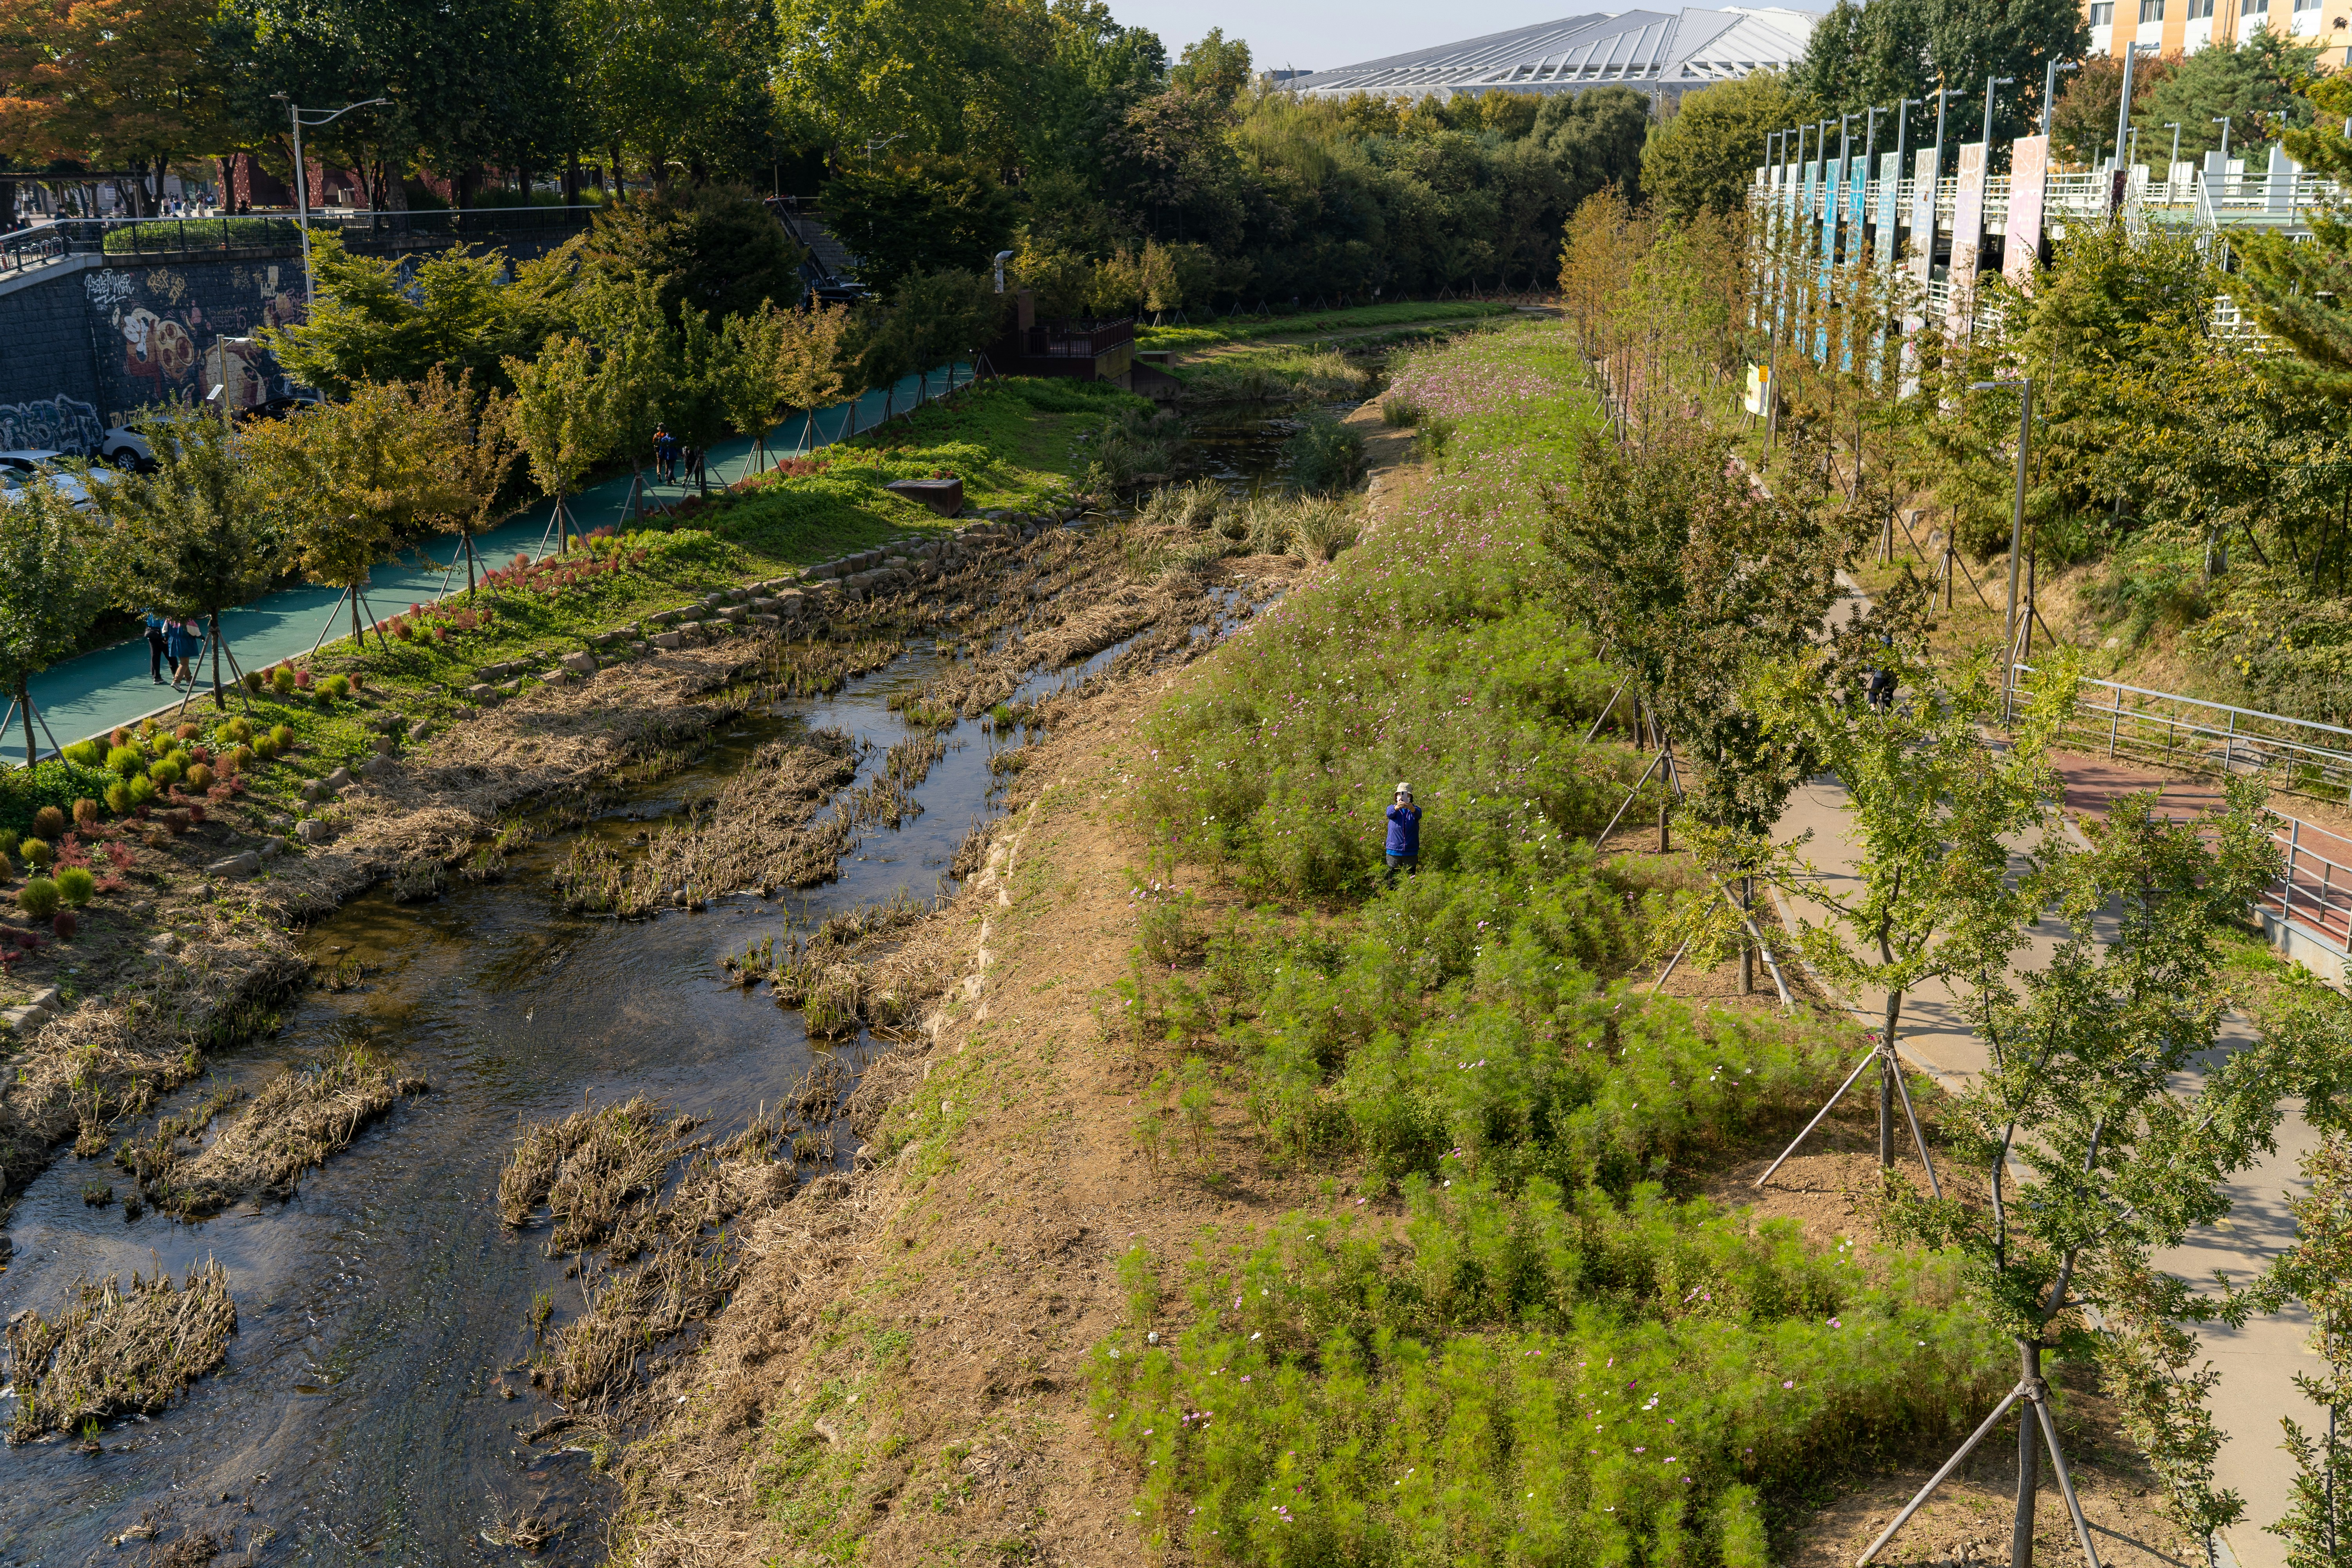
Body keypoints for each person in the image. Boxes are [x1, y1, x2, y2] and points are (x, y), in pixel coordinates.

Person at [1385, 782, 1422, 886]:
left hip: (1411, 851)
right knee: (1393, 881)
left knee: (1411, 880)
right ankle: (1392, 898)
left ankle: (1410, 899)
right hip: (1394, 851)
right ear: (1396, 797)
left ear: (1410, 798)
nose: (1403, 797)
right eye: (1400, 794)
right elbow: (1389, 813)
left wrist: (1412, 809)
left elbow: (1419, 814)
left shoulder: (1415, 810)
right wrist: (1397, 808)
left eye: (1407, 795)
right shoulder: (1392, 809)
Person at [143, 611, 168, 684]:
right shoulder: (159, 609)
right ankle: (177, 675)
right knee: (170, 655)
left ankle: (156, 677)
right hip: (160, 635)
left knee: (155, 656)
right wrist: (165, 636)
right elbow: (162, 622)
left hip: (151, 633)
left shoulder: (148, 608)